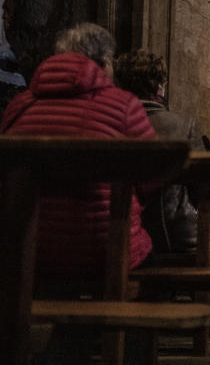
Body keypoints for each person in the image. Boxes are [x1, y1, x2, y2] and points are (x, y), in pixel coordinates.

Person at [0, 22, 157, 276]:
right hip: (104, 248)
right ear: (105, 63)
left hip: (27, 248)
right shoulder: (124, 105)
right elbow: (152, 175)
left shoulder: (19, 106)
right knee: (151, 262)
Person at [115, 50, 205, 253]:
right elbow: (202, 184)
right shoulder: (183, 126)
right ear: (159, 85)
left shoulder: (110, 122)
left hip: (117, 230)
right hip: (172, 234)